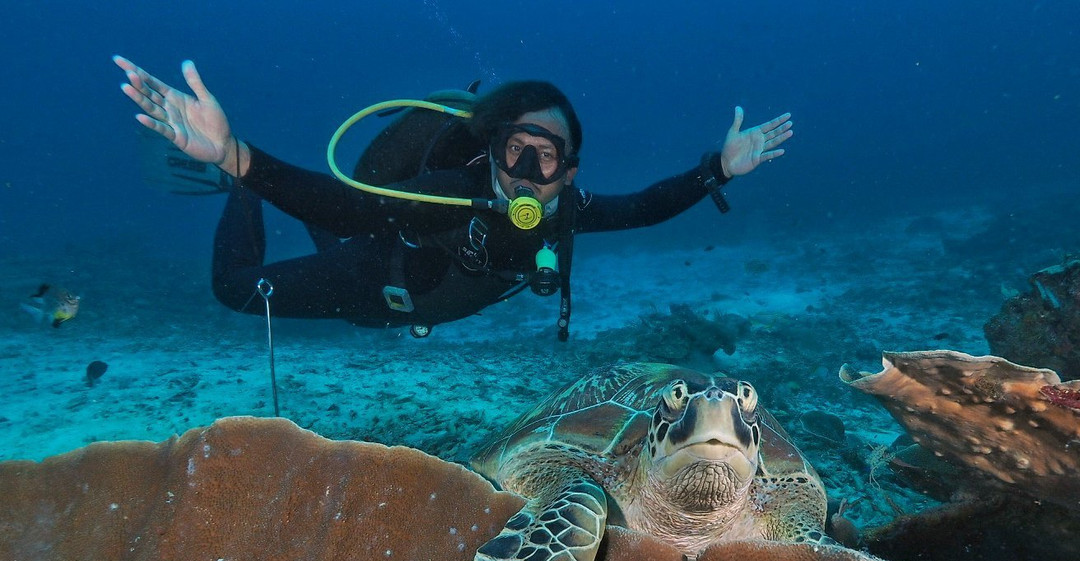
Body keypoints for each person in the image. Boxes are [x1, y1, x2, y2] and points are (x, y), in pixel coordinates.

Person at [114, 56, 793, 340]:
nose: (526, 172)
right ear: (495, 149)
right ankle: (239, 191)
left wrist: (719, 170)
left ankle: (251, 182)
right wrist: (237, 156)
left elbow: (645, 205)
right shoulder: (452, 197)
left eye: (546, 156)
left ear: (569, 169)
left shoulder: (570, 213)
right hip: (374, 281)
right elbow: (349, 206)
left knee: (342, 222)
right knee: (238, 287)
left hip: (400, 281)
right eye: (515, 151)